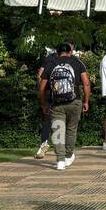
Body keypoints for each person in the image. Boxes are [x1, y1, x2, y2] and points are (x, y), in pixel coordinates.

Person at [38, 41, 90, 171]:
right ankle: (68, 156)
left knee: (58, 130)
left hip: (57, 103)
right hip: (75, 101)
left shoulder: (51, 64)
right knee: (71, 130)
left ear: (57, 52)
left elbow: (42, 88)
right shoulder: (78, 63)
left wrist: (44, 103)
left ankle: (60, 160)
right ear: (70, 52)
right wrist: (86, 101)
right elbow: (86, 83)